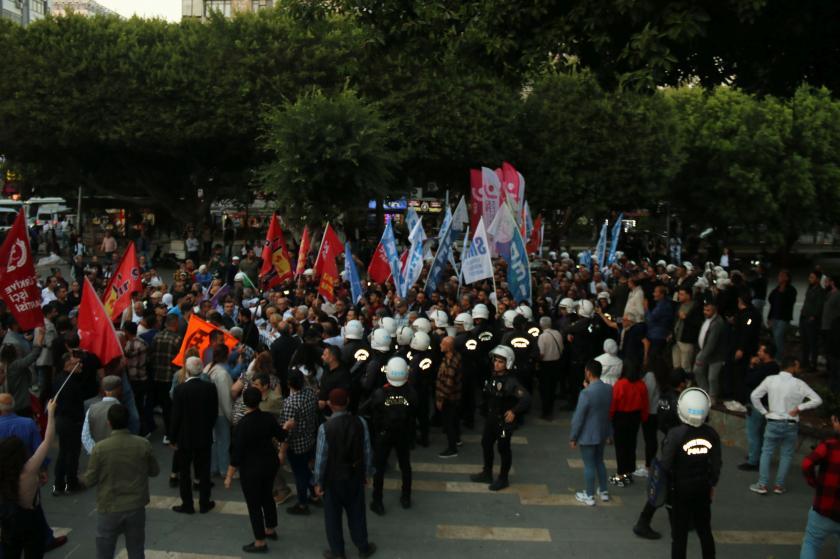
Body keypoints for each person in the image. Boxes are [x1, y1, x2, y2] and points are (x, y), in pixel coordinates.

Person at [82, 404, 160, 559]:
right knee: (136, 549)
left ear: (109, 423)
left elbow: (90, 479)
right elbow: (154, 471)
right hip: (135, 505)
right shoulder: (142, 444)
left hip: (109, 506)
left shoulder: (100, 448)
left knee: (105, 551)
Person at [224, 387, 293, 554]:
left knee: (254, 504)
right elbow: (282, 435)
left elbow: (236, 453)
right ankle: (270, 529)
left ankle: (260, 541)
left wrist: (229, 476)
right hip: (269, 463)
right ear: (260, 399)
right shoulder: (267, 418)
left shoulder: (242, 425)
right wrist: (287, 426)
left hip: (251, 469)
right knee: (267, 496)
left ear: (244, 402)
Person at [313, 388, 377, 559]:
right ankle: (363, 547)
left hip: (333, 479)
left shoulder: (324, 428)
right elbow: (367, 450)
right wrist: (367, 473)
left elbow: (321, 459)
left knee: (333, 518)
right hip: (355, 475)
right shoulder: (360, 422)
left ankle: (338, 552)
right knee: (357, 513)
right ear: (347, 401)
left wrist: (318, 482)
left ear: (330, 404)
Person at [0, 393, 67, 553]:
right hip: (29, 518)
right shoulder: (29, 470)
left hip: (8, 519)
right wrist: (50, 412)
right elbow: (45, 442)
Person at [660, 387, 722, 559]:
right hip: (703, 488)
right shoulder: (712, 434)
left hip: (679, 490)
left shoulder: (675, 434)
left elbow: (665, 464)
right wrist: (712, 483)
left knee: (679, 536)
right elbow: (717, 464)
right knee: (704, 530)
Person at [633, 368, 692, 540]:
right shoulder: (679, 401)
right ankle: (644, 522)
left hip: (667, 443)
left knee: (666, 484)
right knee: (665, 485)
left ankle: (680, 521)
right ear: (681, 384)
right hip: (676, 446)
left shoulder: (664, 397)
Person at [750, 357, 822, 495]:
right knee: (786, 454)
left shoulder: (770, 379)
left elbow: (754, 396)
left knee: (766, 452)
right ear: (794, 365)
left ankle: (762, 484)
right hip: (791, 423)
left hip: (773, 421)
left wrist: (764, 412)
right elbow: (817, 400)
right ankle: (779, 486)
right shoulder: (799, 383)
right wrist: (799, 408)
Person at [470, 345, 531, 491]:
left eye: (500, 362)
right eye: (495, 361)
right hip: (492, 420)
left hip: (503, 425)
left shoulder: (511, 382)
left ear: (508, 363)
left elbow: (526, 398)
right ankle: (487, 472)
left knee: (503, 448)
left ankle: (503, 479)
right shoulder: (494, 376)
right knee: (486, 443)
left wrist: (514, 411)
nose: (496, 364)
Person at [367, 357, 417, 515]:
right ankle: (406, 497)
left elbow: (372, 412)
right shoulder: (411, 392)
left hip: (384, 435)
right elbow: (415, 411)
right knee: (405, 466)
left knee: (379, 469)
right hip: (403, 433)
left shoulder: (380, 393)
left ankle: (377, 501)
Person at [169, 356, 218, 514]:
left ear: (187, 370)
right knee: (204, 472)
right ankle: (204, 503)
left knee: (185, 473)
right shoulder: (210, 388)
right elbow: (213, 413)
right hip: (204, 436)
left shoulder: (180, 390)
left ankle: (187, 504)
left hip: (185, 438)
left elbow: (175, 416)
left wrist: (172, 437)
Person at [569, 360, 613, 506]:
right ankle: (604, 491)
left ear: (588, 372)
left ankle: (589, 495)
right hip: (602, 432)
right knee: (600, 461)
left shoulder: (585, 393)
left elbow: (579, 417)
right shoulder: (608, 389)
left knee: (588, 465)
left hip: (588, 435)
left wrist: (573, 436)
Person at [800, 408, 840, 559]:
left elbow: (807, 464)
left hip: (824, 508)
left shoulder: (829, 445)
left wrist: (814, 482)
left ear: (835, 421)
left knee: (811, 542)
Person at [279, 368, 319, 515]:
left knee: (300, 474)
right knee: (306, 470)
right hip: (309, 438)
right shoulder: (310, 394)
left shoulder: (290, 403)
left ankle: (302, 504)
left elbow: (287, 433)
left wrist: (282, 451)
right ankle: (313, 495)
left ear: (289, 384)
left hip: (296, 445)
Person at [737, 343, 780, 472]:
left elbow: (750, 380)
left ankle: (753, 460)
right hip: (766, 404)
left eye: (761, 351)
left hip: (756, 404)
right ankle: (758, 456)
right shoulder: (774, 367)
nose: (758, 353)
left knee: (753, 433)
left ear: (767, 354)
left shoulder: (765, 368)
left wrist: (751, 366)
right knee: (760, 433)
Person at [609, 359, 649, 487]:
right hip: (635, 418)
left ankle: (621, 474)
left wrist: (609, 417)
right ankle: (628, 473)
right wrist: (643, 417)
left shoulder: (620, 384)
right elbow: (645, 403)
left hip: (621, 417)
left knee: (621, 446)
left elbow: (613, 403)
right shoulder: (641, 384)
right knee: (631, 445)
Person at [205, 344, 234, 477]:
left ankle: (213, 467)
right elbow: (225, 398)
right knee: (224, 442)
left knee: (215, 442)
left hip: (210, 412)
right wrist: (231, 416)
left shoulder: (208, 368)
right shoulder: (222, 374)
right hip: (221, 413)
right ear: (226, 356)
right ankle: (224, 469)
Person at [693, 299, 726, 403]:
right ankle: (705, 391)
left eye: (708, 310)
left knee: (712, 377)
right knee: (697, 371)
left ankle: (712, 397)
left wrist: (701, 357)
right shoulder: (707, 319)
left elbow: (711, 343)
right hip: (704, 351)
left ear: (714, 310)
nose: (705, 312)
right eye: (704, 310)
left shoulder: (717, 323)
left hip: (716, 355)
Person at [435, 336, 462, 459]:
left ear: (448, 346)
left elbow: (448, 383)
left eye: (442, 343)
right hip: (455, 396)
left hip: (449, 397)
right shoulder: (455, 356)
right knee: (455, 419)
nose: (440, 345)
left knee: (449, 423)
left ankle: (452, 448)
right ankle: (457, 439)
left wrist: (441, 399)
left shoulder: (450, 362)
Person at [82, 375, 122, 455]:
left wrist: (95, 451)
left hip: (97, 454)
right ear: (118, 389)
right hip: (116, 455)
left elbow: (85, 436)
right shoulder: (121, 409)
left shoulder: (92, 409)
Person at [536, 316, 563, 419]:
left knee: (545, 389)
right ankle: (550, 408)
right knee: (552, 388)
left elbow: (541, 353)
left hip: (546, 365)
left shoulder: (542, 336)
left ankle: (546, 412)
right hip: (556, 363)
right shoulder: (558, 333)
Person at [767, 269, 796, 359]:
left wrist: (783, 291)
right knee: (775, 338)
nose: (779, 277)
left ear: (787, 278)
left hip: (783, 318)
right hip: (774, 317)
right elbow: (771, 302)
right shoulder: (776, 289)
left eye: (782, 276)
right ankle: (776, 356)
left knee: (778, 336)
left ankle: (780, 357)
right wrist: (769, 317)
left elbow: (789, 302)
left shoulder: (791, 290)